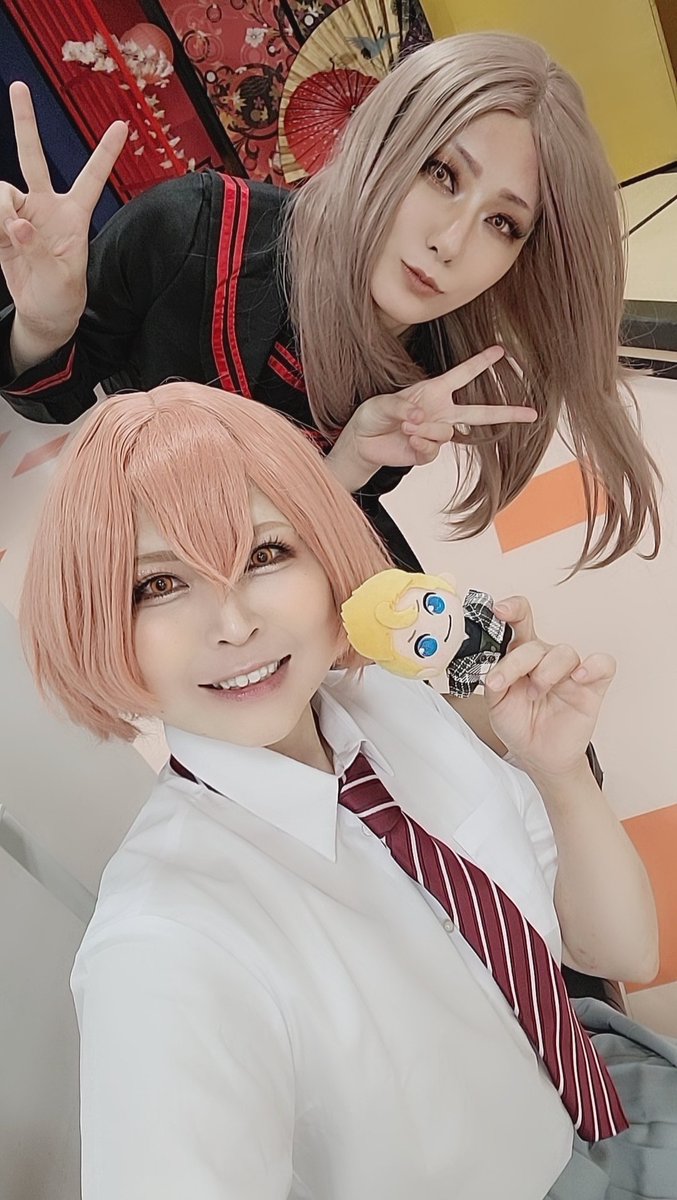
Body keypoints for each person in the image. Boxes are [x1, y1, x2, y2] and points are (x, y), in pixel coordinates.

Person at [20, 381, 673, 1200]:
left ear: (329, 559)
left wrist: (557, 770)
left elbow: (618, 955)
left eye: (264, 555)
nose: (232, 624)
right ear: (103, 628)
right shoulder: (164, 945)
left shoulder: (397, 708)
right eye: (157, 585)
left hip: (597, 1082)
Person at [0, 32, 661, 573]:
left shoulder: (436, 362)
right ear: (386, 144)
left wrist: (351, 465)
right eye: (441, 173)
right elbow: (50, 399)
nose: (450, 242)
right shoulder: (192, 230)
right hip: (135, 533)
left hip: (273, 553)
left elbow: (305, 519)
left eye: (502, 223)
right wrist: (45, 324)